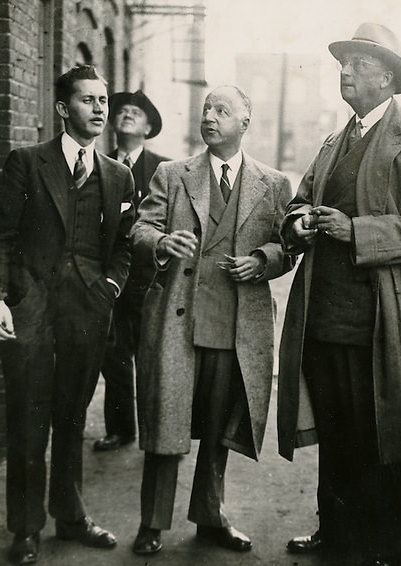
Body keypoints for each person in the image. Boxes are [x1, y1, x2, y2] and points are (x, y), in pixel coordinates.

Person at [277, 22, 401, 566]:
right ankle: (335, 532)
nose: (345, 71)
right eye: (342, 63)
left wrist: (357, 230)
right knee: (335, 433)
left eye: (358, 63)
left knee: (376, 438)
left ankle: (379, 549)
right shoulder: (334, 141)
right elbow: (299, 202)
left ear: (389, 78)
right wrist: (298, 224)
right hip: (324, 316)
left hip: (379, 320)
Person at [129, 84, 293, 556]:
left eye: (222, 110)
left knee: (219, 427)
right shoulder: (172, 173)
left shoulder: (273, 183)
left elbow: (289, 250)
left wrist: (262, 260)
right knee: (167, 425)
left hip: (235, 326)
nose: (210, 116)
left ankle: (210, 516)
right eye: (206, 109)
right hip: (179, 321)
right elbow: (141, 227)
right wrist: (160, 243)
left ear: (245, 122)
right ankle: (152, 522)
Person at [0, 64, 135, 565]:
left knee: (72, 417)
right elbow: (1, 237)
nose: (99, 109)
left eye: (103, 100)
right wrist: (0, 298)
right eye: (88, 100)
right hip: (31, 308)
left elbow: (124, 247)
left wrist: (110, 288)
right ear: (62, 108)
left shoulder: (118, 174)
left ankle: (70, 515)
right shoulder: (27, 163)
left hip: (87, 312)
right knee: (29, 419)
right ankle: (25, 528)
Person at [93, 90, 171, 452]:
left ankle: (158, 433)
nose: (125, 115)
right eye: (121, 111)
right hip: (111, 278)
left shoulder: (164, 169)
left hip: (151, 279)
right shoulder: (97, 163)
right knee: (114, 355)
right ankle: (121, 428)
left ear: (149, 126)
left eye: (135, 113)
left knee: (154, 358)